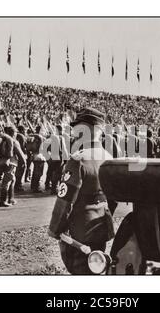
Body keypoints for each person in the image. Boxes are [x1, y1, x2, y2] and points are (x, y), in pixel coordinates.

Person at [48, 107, 115, 274]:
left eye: (77, 127)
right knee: (96, 267)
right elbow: (113, 199)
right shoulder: (109, 157)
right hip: (101, 225)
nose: (74, 131)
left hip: (79, 231)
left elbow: (65, 201)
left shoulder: (79, 159)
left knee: (80, 271)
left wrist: (55, 229)